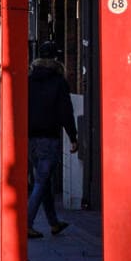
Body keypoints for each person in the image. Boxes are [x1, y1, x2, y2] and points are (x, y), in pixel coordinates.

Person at [27, 41, 80, 238]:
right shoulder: (59, 81)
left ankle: (54, 222)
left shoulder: (30, 79)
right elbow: (66, 111)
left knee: (44, 180)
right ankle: (26, 222)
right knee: (41, 181)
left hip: (30, 138)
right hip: (49, 138)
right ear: (56, 58)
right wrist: (73, 137)